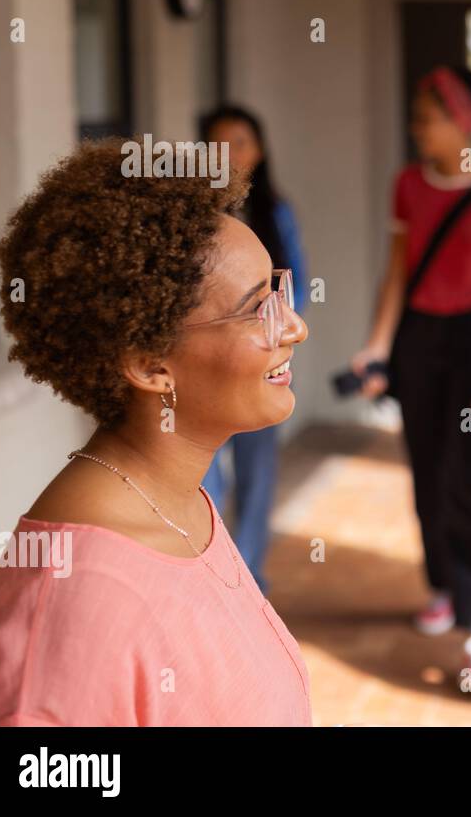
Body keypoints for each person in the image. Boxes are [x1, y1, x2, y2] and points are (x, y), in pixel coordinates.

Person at [0, 138, 312, 725]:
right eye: (259, 308)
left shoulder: (179, 506)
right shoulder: (76, 603)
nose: (296, 327)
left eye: (279, 292)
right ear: (151, 363)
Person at [352, 65, 471, 692]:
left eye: (426, 119)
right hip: (420, 344)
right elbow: (396, 273)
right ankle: (441, 587)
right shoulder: (408, 185)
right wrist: (377, 349)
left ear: (462, 123)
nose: (415, 130)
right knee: (426, 470)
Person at [199, 105, 308, 596]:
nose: (230, 155)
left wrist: (270, 334)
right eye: (218, 144)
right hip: (208, 365)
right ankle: (216, 575)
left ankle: (250, 580)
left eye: (240, 143)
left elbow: (296, 285)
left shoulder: (274, 211)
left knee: (257, 470)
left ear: (259, 151)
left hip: (262, 360)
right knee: (205, 473)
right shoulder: (194, 219)